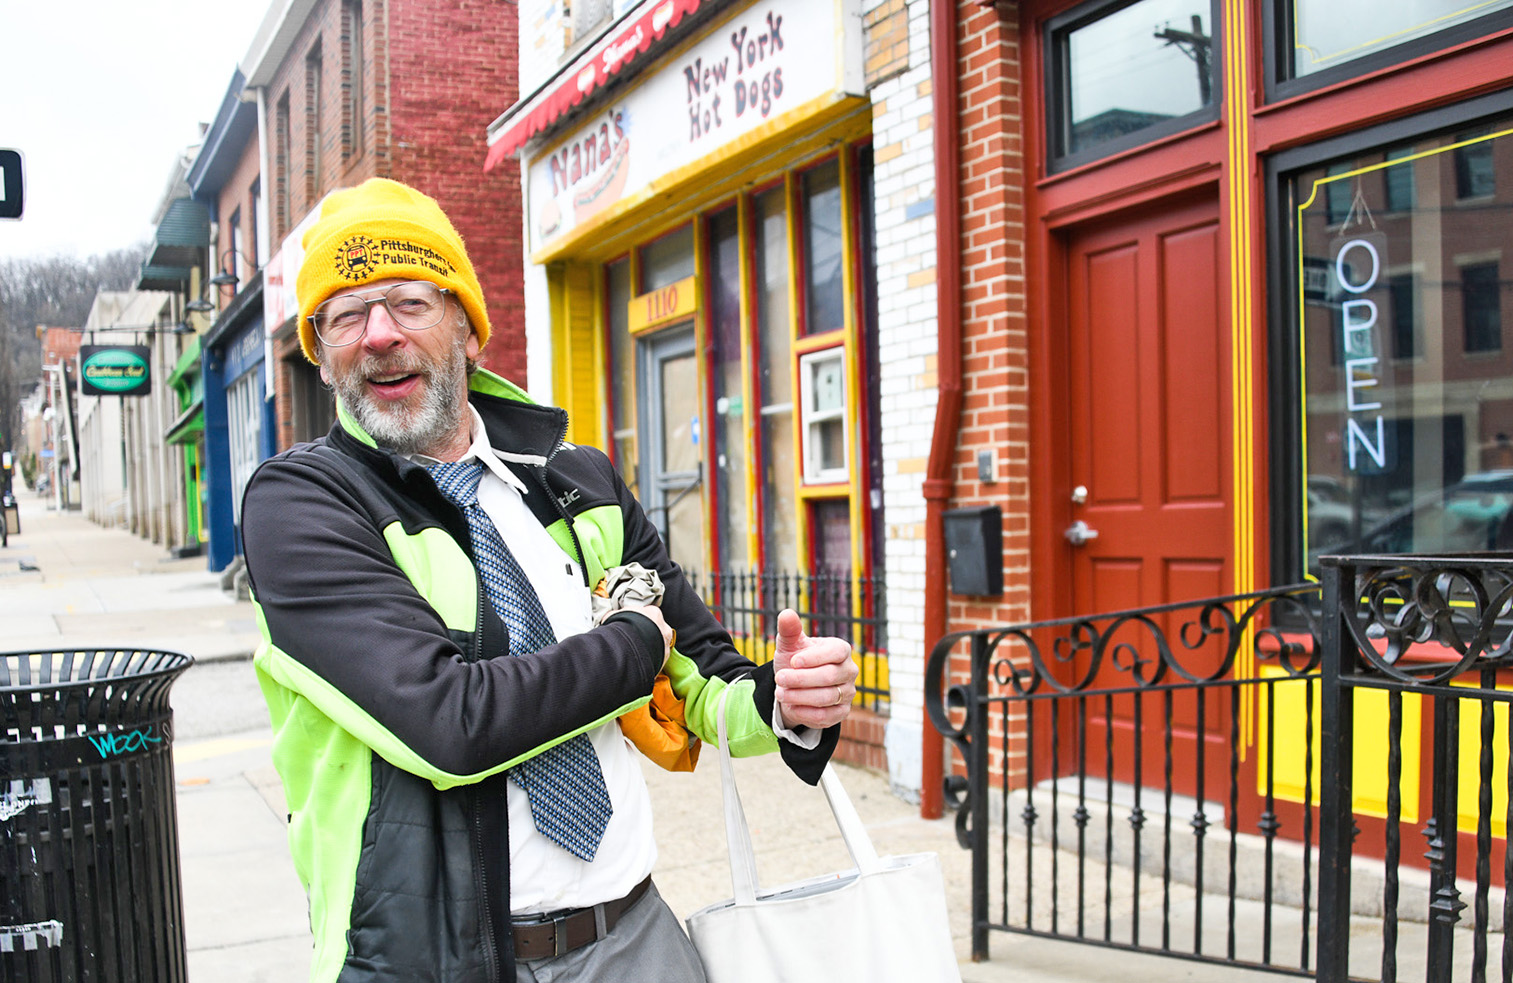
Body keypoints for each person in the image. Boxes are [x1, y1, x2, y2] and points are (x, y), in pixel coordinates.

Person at [240, 177, 859, 983]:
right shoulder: (301, 504)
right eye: (345, 315)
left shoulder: (576, 479)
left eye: (409, 303)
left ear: (468, 327)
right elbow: (449, 722)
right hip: (434, 966)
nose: (379, 334)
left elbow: (703, 678)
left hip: (633, 938)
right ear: (322, 357)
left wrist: (785, 701)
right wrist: (632, 645)